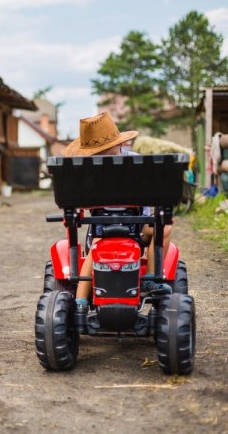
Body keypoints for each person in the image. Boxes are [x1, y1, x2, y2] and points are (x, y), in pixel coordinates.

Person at [64, 112, 172, 315]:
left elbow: (153, 191)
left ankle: (150, 279)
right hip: (102, 227)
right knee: (95, 247)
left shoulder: (137, 163)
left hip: (138, 222)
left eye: (105, 149)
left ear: (118, 144)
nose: (101, 155)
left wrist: (153, 209)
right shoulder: (86, 169)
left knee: (164, 229)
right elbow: (77, 198)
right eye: (97, 152)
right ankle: (80, 301)